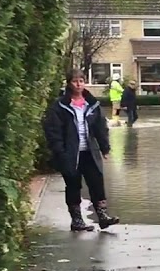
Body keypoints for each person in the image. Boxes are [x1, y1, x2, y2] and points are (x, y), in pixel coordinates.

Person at [42, 69, 121, 232]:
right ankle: (76, 220)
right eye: (75, 81)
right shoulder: (60, 106)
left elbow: (101, 127)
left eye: (82, 81)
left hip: (89, 151)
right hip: (70, 153)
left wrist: (105, 147)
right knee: (73, 184)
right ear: (69, 83)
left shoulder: (92, 104)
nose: (79, 84)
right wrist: (60, 151)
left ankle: (103, 216)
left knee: (96, 181)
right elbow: (53, 131)